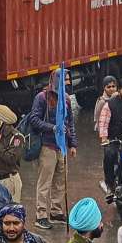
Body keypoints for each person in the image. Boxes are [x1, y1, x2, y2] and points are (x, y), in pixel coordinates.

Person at [30, 69, 76, 230]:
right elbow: (34, 119)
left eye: (68, 79)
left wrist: (72, 144)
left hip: (61, 147)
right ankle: (40, 215)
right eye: (65, 79)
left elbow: (70, 123)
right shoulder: (42, 98)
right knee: (45, 182)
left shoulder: (66, 99)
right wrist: (53, 128)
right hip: (47, 146)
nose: (68, 82)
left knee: (60, 181)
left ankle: (56, 212)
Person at [0, 103, 25, 203]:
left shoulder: (17, 137)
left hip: (9, 181)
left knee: (11, 215)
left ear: (1, 121)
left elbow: (11, 159)